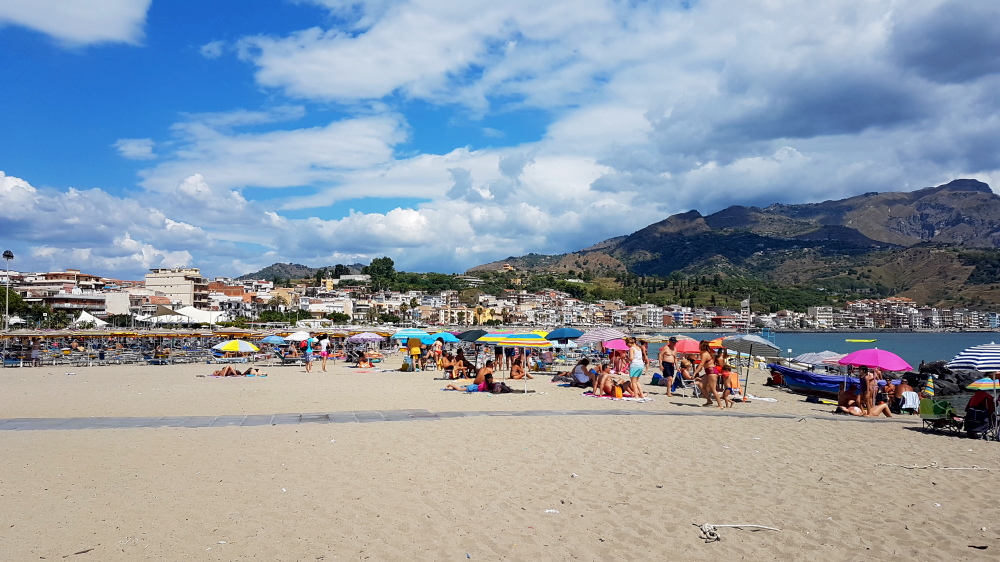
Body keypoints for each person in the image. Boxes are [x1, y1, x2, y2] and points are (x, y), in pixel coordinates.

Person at [693, 340, 723, 408]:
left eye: (699, 345)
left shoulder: (705, 354)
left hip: (712, 372)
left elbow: (701, 365)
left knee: (713, 389)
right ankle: (709, 400)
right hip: (708, 372)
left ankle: (720, 405)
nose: (699, 346)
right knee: (701, 384)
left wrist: (695, 373)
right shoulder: (705, 353)